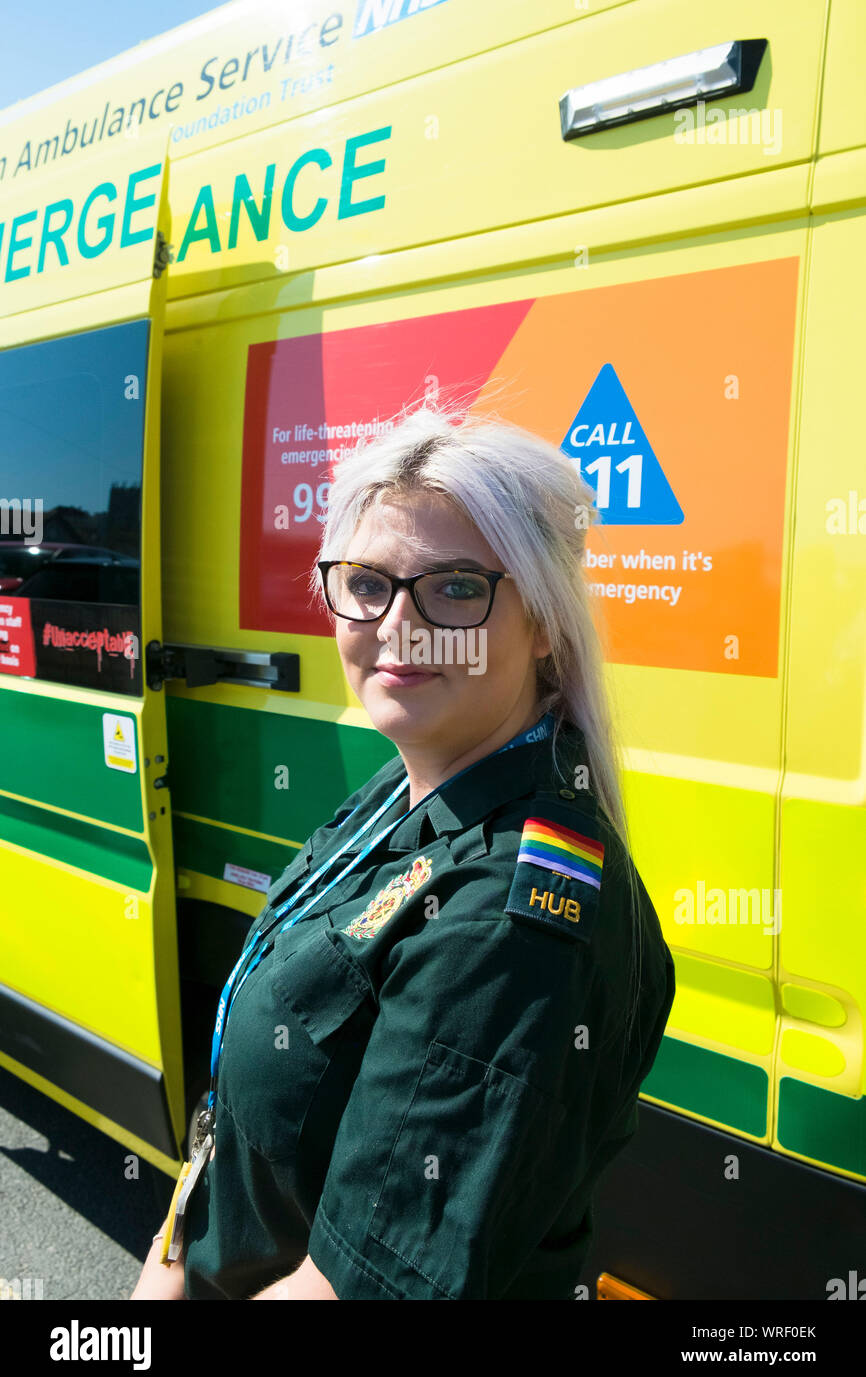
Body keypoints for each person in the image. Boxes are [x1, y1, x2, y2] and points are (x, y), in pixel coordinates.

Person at [131, 398, 675, 1301]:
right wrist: (175, 1262)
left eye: (457, 587)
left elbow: (360, 1288)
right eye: (367, 582)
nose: (397, 625)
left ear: (544, 624)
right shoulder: (408, 784)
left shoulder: (506, 922)